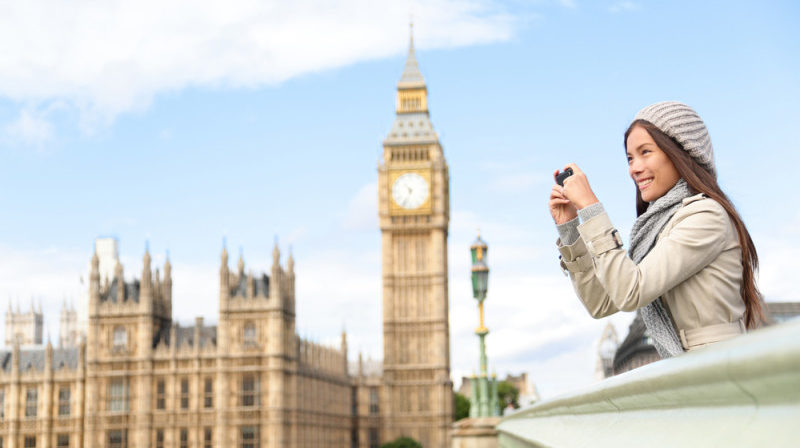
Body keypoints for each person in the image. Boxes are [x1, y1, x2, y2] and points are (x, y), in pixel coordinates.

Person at [548, 101, 763, 358]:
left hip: (720, 371)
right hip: (689, 372)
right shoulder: (657, 228)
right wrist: (570, 228)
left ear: (681, 153)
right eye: (629, 158)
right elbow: (601, 303)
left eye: (645, 152)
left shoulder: (706, 216)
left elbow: (631, 291)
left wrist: (591, 208)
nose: (634, 168)